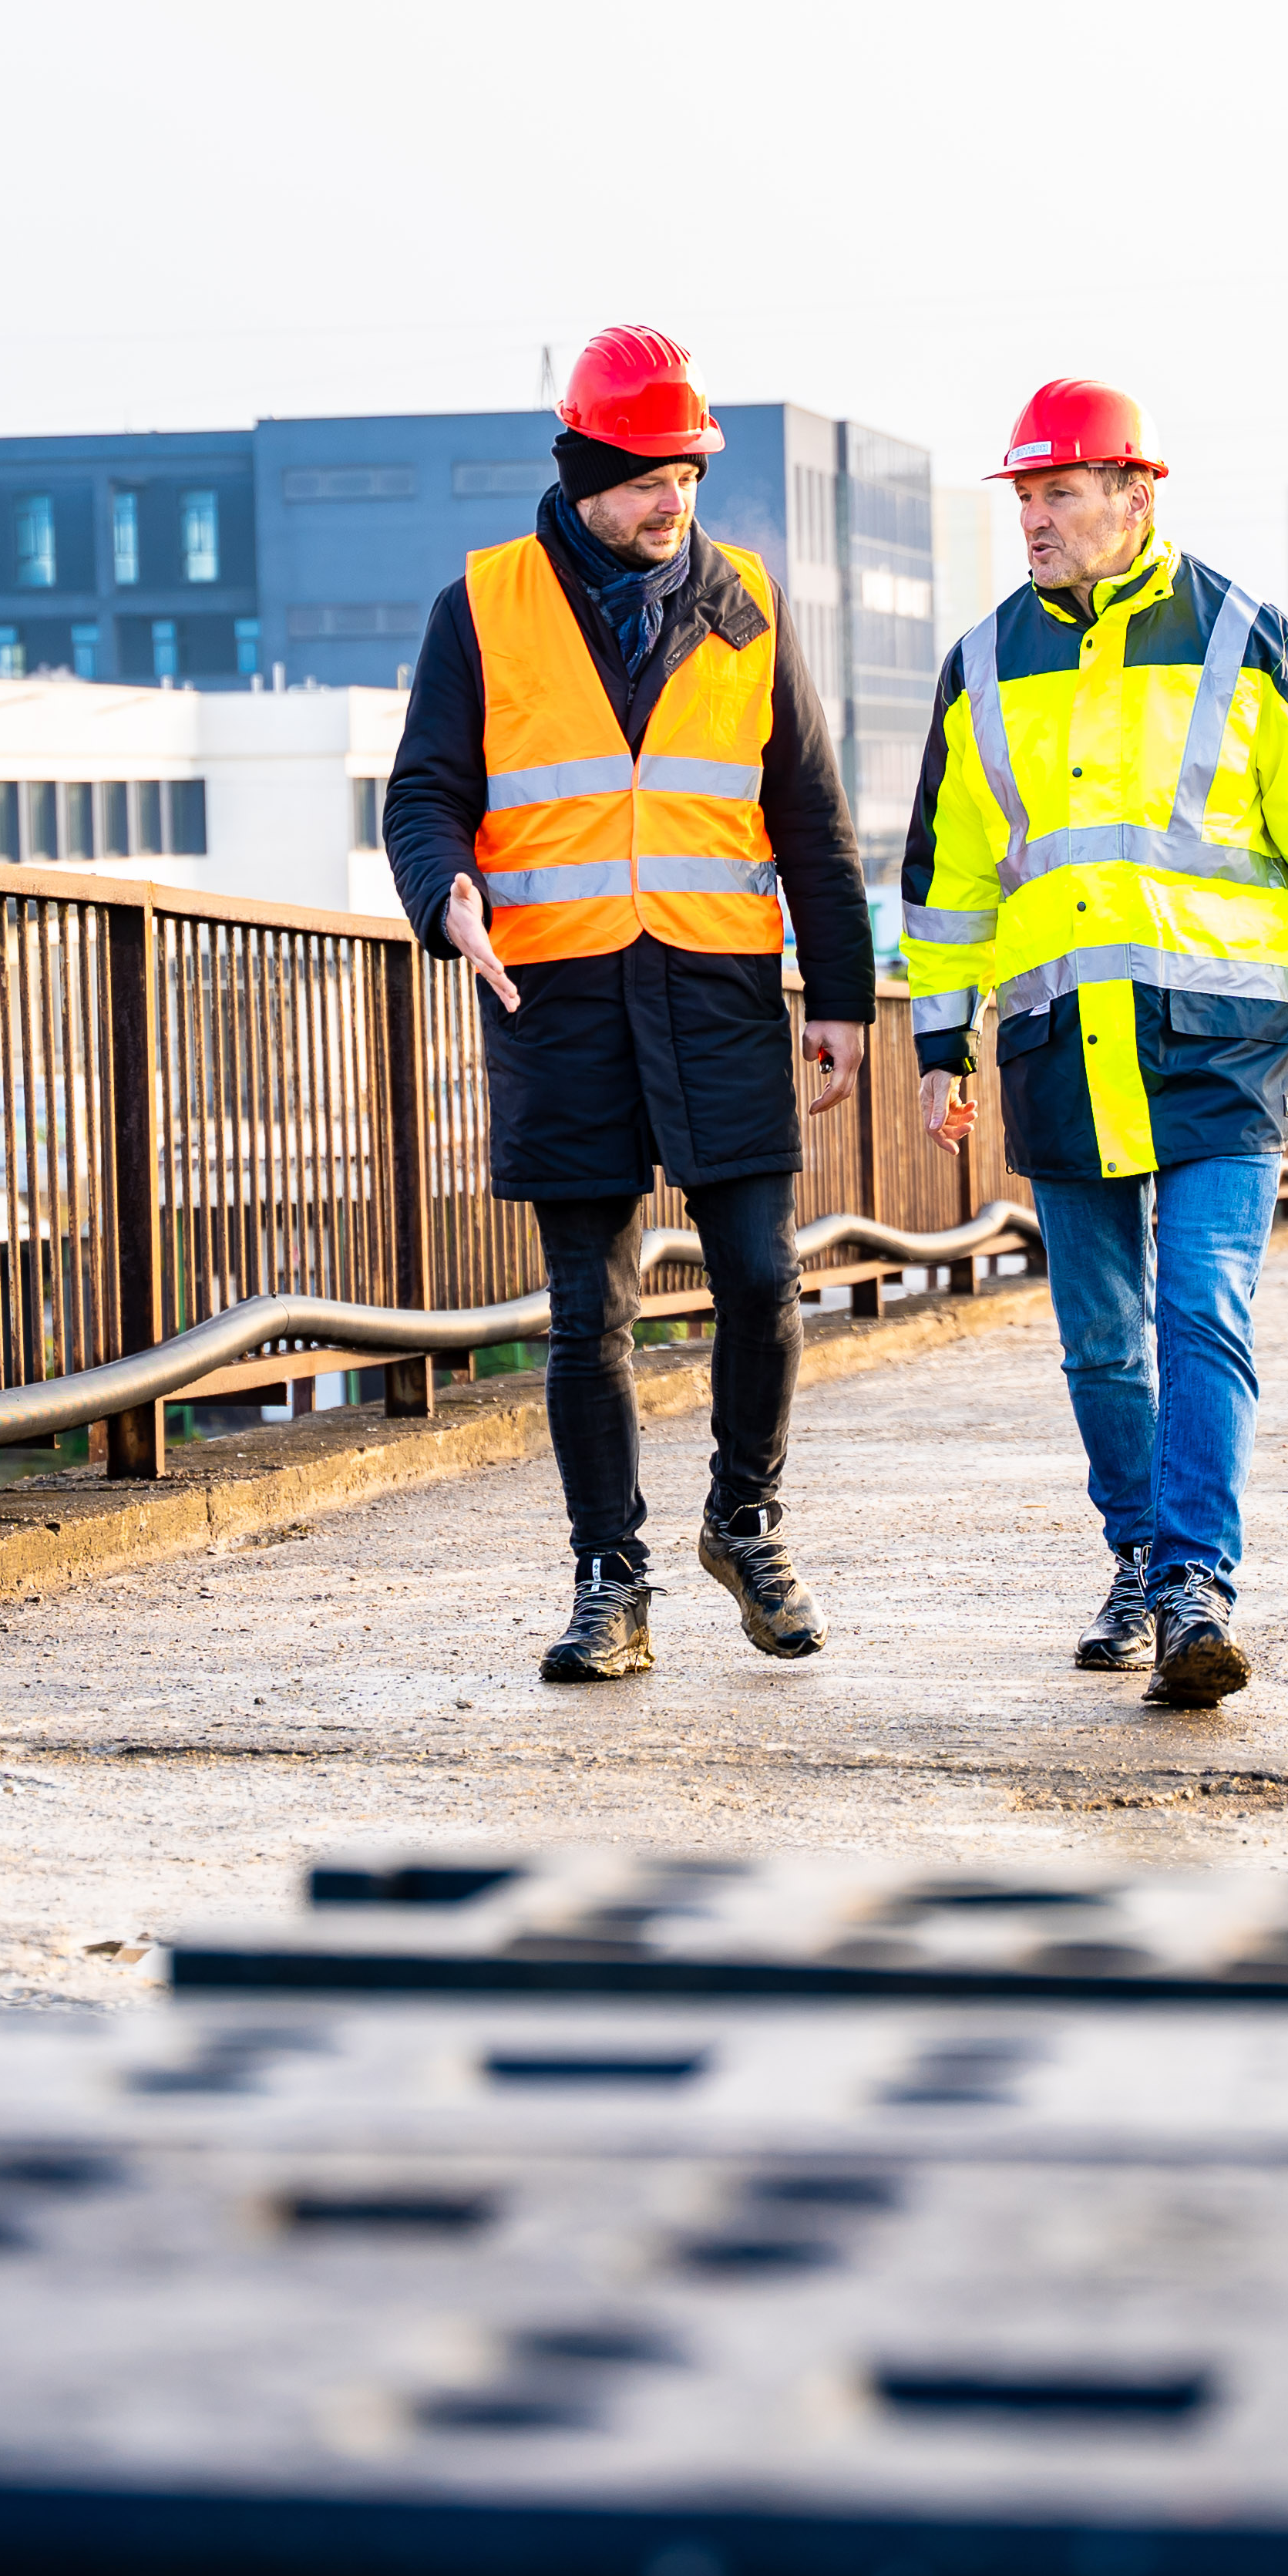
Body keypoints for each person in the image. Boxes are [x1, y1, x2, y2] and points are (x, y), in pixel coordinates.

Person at [900, 378, 1288, 1709]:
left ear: (1139, 496)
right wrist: (942, 1049)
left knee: (1203, 1312)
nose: (1036, 521)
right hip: (1063, 1047)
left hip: (1219, 1043)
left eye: (1060, 493)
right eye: (1023, 498)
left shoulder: (1242, 634)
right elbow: (951, 881)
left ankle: (1196, 1582)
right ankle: (1136, 1552)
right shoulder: (981, 661)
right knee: (1098, 1342)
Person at [378, 325, 876, 1685]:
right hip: (561, 999)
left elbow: (811, 819)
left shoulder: (748, 605)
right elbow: (425, 794)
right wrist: (447, 896)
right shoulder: (481, 606)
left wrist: (841, 998)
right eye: (651, 474)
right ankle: (612, 1578)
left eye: (691, 474)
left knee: (765, 1281)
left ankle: (745, 1521)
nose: (675, 499)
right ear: (586, 472)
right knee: (589, 1317)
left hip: (717, 993)